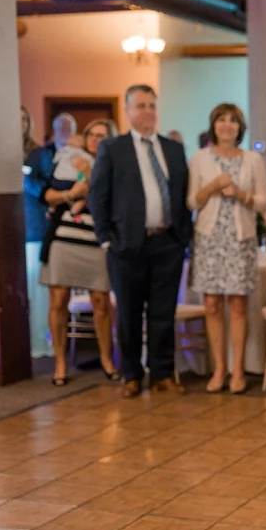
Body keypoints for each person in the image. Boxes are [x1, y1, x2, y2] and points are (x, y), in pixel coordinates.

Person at [88, 84, 192, 399]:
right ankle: (131, 374)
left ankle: (162, 374)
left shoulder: (173, 149)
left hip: (167, 243)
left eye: (152, 106)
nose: (148, 111)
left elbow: (181, 194)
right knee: (129, 314)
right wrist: (106, 239)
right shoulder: (113, 148)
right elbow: (97, 195)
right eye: (141, 106)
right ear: (128, 111)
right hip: (126, 245)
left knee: (163, 312)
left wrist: (182, 237)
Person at [186, 103, 266, 395]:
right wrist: (212, 186)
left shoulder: (252, 159)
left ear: (239, 128)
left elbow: (263, 202)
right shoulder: (199, 158)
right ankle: (219, 368)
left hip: (240, 238)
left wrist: (240, 194)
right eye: (221, 120)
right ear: (213, 125)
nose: (226, 125)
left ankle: (238, 371)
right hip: (209, 238)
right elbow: (192, 202)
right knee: (211, 305)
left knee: (237, 305)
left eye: (232, 121)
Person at [39, 118, 120, 385]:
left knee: (101, 300)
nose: (95, 139)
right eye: (91, 134)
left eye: (102, 135)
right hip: (63, 238)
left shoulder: (116, 167)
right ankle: (60, 364)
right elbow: (47, 195)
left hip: (96, 240)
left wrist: (88, 177)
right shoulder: (70, 160)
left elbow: (111, 201)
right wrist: (71, 194)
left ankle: (107, 359)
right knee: (58, 299)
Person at [22, 106, 57, 359]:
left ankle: (39, 342)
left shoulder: (39, 154)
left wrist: (25, 178)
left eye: (24, 119)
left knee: (36, 288)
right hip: (5, 227)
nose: (19, 123)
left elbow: (47, 188)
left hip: (33, 226)